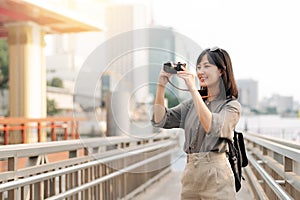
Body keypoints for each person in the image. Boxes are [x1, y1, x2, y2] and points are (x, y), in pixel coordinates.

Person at [152, 47, 241, 199]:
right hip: (191, 174)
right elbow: (161, 120)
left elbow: (212, 126)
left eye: (207, 66)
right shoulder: (190, 105)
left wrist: (193, 89)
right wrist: (161, 86)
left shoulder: (231, 106)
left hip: (217, 174)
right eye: (198, 67)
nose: (201, 71)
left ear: (221, 71)